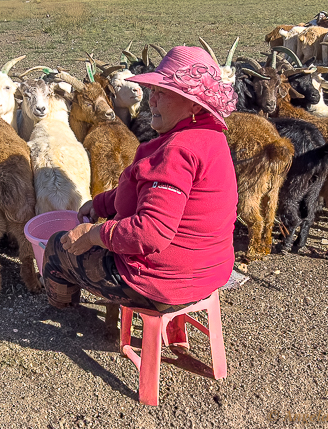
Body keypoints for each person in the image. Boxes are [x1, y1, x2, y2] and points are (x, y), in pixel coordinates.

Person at [42, 46, 239, 313]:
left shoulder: (176, 151)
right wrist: (101, 204)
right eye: (153, 92)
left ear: (194, 103)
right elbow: (143, 189)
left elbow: (150, 233)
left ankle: (63, 311)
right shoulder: (210, 137)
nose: (152, 101)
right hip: (209, 270)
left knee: (57, 245)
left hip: (163, 282)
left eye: (164, 93)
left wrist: (93, 234)